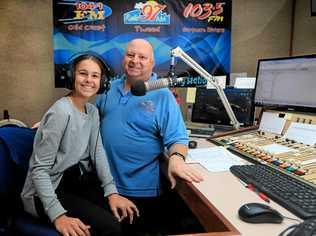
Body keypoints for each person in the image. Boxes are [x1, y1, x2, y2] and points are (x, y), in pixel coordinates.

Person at [21, 53, 139, 236]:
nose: (89, 80)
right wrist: (58, 215)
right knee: (110, 227)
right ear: (71, 76)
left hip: (74, 182)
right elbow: (39, 170)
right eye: (83, 74)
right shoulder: (61, 112)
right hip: (45, 191)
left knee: (124, 214)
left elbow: (97, 152)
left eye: (95, 76)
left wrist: (112, 192)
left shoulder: (91, 111)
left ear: (103, 81)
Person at [96, 39, 203, 234]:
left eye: (142, 57)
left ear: (152, 63)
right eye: (130, 55)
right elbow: (90, 119)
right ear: (123, 59)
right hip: (106, 185)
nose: (135, 60)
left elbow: (178, 138)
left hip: (140, 192)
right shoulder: (108, 88)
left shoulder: (163, 95)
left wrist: (177, 159)